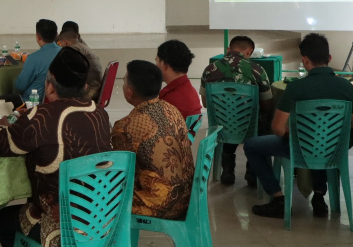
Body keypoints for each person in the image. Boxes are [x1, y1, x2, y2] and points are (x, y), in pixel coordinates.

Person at [0, 47, 112, 247]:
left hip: (59, 225)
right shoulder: (100, 114)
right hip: (99, 220)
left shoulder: (41, 116)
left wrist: (1, 124)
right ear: (85, 86)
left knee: (3, 220)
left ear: (50, 86)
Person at [245, 33, 353, 219]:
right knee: (322, 142)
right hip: (333, 149)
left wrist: (298, 132)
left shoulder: (295, 88)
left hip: (301, 148)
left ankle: (278, 198)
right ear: (329, 58)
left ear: (304, 60)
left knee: (252, 146)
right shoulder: (346, 87)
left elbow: (277, 128)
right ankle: (320, 196)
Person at [111, 60, 194, 219]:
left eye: (123, 81)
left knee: (100, 200)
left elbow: (121, 174)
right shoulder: (171, 109)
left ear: (130, 92)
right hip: (188, 197)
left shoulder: (125, 127)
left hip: (163, 205)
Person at [200, 35, 273, 186]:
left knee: (227, 120)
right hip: (249, 125)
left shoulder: (209, 69)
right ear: (250, 52)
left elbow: (205, 103)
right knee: (263, 119)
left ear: (228, 50)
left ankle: (227, 170)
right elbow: (266, 105)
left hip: (221, 125)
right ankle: (253, 172)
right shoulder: (257, 70)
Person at [0, 19, 61, 109]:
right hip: (59, 102)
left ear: (38, 37)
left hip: (31, 103)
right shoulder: (66, 53)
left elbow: (20, 85)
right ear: (56, 35)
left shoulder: (34, 58)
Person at [156, 40, 202, 118]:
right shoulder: (190, 91)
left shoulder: (170, 98)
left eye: (156, 62)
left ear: (165, 64)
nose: (155, 66)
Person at [56, 30, 103, 100]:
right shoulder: (83, 46)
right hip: (96, 86)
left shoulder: (73, 49)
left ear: (65, 42)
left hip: (90, 90)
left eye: (60, 43)